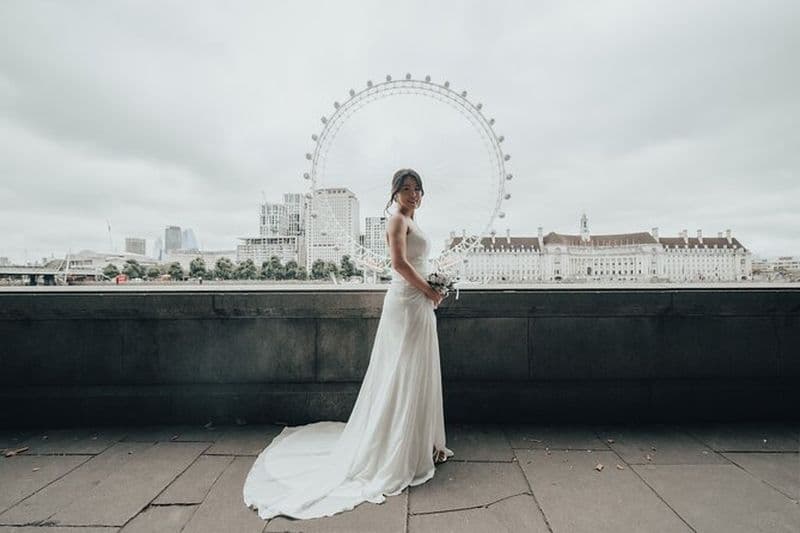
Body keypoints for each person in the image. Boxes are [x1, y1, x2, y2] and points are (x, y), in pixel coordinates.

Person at [243, 168, 454, 520]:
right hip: (407, 302)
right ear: (395, 193)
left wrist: (433, 287)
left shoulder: (413, 221)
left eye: (417, 189)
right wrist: (430, 289)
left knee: (418, 371)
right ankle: (398, 448)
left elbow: (417, 261)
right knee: (402, 371)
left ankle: (421, 443)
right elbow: (399, 264)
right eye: (406, 189)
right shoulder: (396, 221)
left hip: (419, 304)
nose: (412, 194)